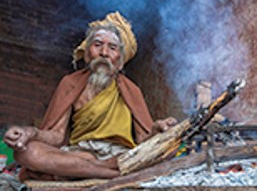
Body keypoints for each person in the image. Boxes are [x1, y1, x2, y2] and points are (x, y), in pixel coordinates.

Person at [4, 12, 177, 181]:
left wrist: (156, 131)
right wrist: (29, 133)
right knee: (27, 152)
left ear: (120, 60)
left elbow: (143, 142)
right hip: (80, 155)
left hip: (119, 156)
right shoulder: (70, 83)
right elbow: (56, 135)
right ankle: (111, 174)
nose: (104, 52)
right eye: (98, 44)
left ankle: (84, 171)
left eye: (112, 48)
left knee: (168, 151)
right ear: (87, 54)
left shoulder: (132, 90)